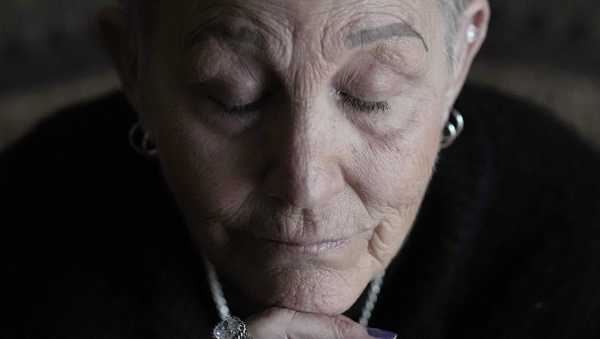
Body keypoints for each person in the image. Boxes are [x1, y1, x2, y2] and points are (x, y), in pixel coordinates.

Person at [2, 0, 600, 338]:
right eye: (233, 97)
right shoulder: (28, 224)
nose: (304, 182)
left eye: (372, 94)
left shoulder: (571, 231)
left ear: (462, 51)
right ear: (132, 63)